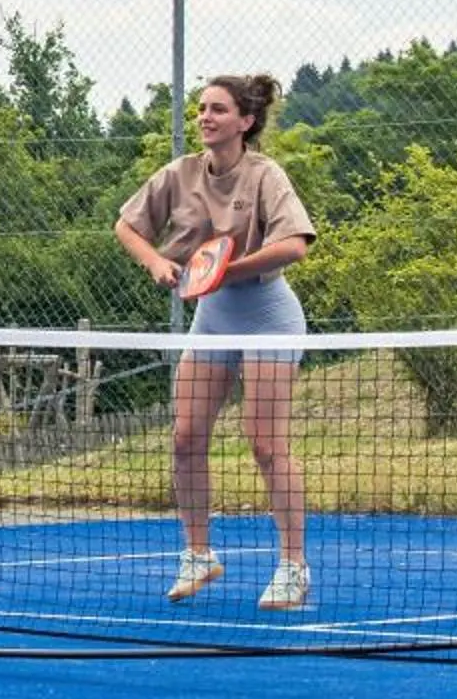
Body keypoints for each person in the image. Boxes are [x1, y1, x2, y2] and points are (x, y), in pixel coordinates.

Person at [114, 72, 320, 612]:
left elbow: (295, 246)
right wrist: (157, 261)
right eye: (202, 109)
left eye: (219, 110)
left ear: (246, 121)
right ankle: (198, 553)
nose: (206, 117)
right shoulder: (179, 174)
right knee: (185, 437)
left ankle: (293, 566)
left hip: (268, 314)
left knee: (266, 444)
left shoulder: (265, 176)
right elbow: (127, 226)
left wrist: (226, 268)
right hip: (212, 317)